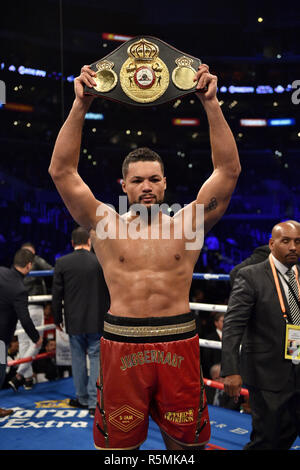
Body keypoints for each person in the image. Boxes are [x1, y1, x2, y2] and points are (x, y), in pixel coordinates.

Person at [48, 62, 241, 450]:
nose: (147, 187)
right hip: (121, 343)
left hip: (179, 341)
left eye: (154, 179)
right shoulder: (104, 224)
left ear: (165, 182)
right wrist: (80, 106)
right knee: (117, 449)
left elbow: (228, 170)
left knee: (187, 448)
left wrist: (211, 103)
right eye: (137, 181)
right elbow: (62, 172)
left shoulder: (188, 224)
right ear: (124, 185)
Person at [221, 220, 300, 449]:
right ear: (272, 243)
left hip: (297, 367)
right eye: (286, 241)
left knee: (288, 434)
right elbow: (233, 326)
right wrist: (231, 371)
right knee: (267, 438)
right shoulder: (251, 275)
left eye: (297, 242)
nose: (293, 247)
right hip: (266, 372)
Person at [51, 227, 110, 416]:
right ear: (89, 241)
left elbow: (56, 296)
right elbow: (110, 291)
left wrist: (57, 319)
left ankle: (82, 398)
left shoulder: (62, 262)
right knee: (95, 358)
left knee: (77, 358)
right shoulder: (99, 261)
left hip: (74, 320)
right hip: (97, 319)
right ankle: (94, 403)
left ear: (72, 243)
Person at [0, 249, 42, 405]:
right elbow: (25, 319)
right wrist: (36, 338)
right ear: (29, 265)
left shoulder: (1, 271)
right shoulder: (19, 289)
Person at [13, 242, 53, 390]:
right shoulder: (35, 260)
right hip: (34, 305)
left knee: (24, 342)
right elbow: (52, 271)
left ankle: (28, 379)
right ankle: (18, 375)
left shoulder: (16, 266)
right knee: (36, 341)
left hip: (19, 305)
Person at [201, 312, 224, 379]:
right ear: (216, 323)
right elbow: (206, 358)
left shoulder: (232, 337)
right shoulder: (210, 338)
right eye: (223, 321)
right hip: (213, 375)